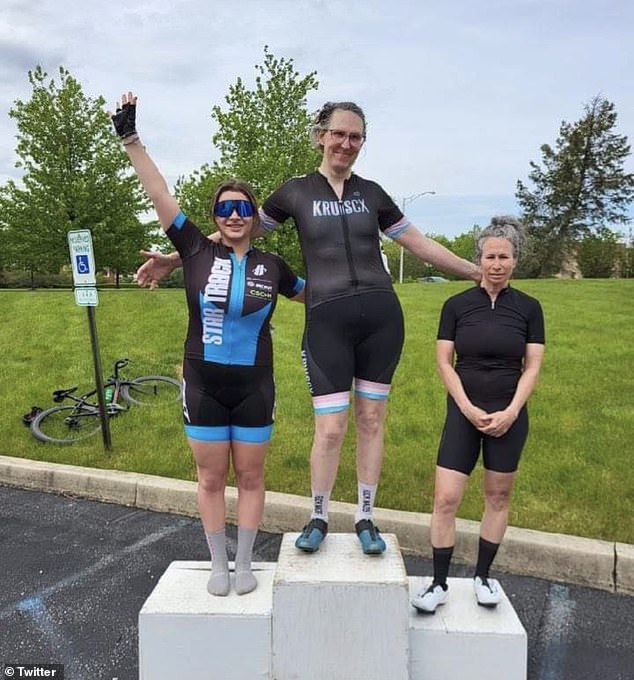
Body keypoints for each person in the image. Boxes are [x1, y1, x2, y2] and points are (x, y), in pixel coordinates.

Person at [136, 100, 481, 556]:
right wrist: (175, 259)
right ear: (320, 134)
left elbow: (417, 244)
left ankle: (365, 517)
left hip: (381, 317)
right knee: (333, 428)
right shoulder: (295, 193)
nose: (346, 143)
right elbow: (233, 233)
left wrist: (474, 271)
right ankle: (318, 514)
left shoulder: (373, 193)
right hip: (327, 318)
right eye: (339, 133)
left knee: (372, 419)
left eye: (355, 137)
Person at [112, 92, 305, 596]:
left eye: (243, 208)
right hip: (203, 384)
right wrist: (131, 140)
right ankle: (218, 562)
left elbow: (319, 295)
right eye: (225, 209)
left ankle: (245, 564)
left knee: (253, 478)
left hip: (255, 387)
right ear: (215, 215)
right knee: (211, 478)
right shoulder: (194, 248)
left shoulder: (273, 266)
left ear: (255, 214)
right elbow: (160, 195)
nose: (235, 215)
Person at [411, 216, 545, 613]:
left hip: (509, 415)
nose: (497, 264)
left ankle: (483, 577)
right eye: (491, 256)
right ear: (480, 259)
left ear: (515, 261)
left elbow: (532, 366)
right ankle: (437, 584)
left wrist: (510, 412)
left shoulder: (529, 309)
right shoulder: (456, 305)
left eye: (505, 256)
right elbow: (444, 362)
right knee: (446, 499)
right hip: (463, 414)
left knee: (497, 496)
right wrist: (467, 407)